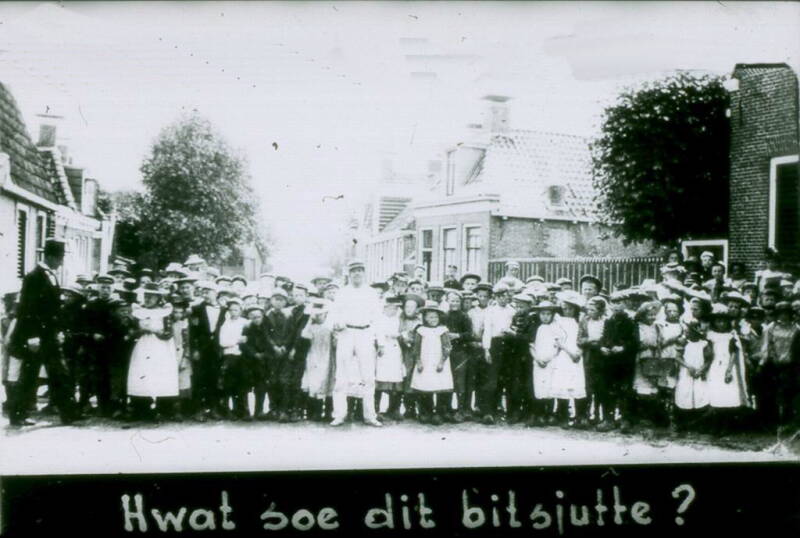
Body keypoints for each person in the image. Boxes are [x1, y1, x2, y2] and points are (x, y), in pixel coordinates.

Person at [8, 239, 79, 427]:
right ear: (50, 257)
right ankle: (17, 415)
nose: (62, 262)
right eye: (60, 258)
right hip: (37, 336)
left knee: (60, 374)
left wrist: (59, 330)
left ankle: (68, 413)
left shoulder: (51, 276)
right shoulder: (34, 277)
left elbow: (53, 308)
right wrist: (32, 336)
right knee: (29, 375)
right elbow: (27, 309)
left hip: (50, 335)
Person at [328, 260, 383, 427]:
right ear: (349, 274)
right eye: (353, 271)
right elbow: (333, 315)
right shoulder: (342, 293)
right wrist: (336, 325)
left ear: (364, 273)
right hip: (346, 334)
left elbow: (378, 318)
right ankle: (339, 414)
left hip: (365, 333)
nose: (357, 273)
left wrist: (380, 341)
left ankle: (370, 416)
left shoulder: (371, 293)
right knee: (341, 377)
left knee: (368, 377)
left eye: (360, 270)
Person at [126, 284, 178, 422]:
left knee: (159, 374)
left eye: (152, 296)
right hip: (143, 346)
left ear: (158, 298)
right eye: (146, 296)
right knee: (142, 374)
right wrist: (141, 331)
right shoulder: (138, 312)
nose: (148, 299)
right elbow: (131, 331)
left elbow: (169, 333)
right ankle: (142, 408)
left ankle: (162, 408)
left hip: (160, 347)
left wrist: (156, 332)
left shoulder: (165, 312)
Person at [596, 291, 639, 433]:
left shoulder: (631, 321)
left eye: (619, 303)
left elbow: (635, 342)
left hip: (625, 363)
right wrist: (602, 347)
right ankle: (608, 419)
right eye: (613, 303)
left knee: (625, 390)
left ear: (625, 304)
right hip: (609, 362)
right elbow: (603, 338)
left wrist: (623, 348)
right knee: (607, 389)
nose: (616, 306)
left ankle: (625, 419)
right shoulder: (608, 321)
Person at [81, 274, 122, 417]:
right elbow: (85, 324)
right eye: (103, 287)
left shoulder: (118, 304)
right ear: (98, 288)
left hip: (114, 345)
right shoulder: (91, 305)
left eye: (108, 288)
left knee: (114, 376)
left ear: (113, 289)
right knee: (98, 375)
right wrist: (93, 334)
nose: (105, 290)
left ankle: (115, 406)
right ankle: (102, 406)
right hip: (96, 345)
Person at [705, 303, 749, 437]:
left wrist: (729, 370)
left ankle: (726, 425)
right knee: (715, 396)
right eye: (718, 321)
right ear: (714, 322)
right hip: (714, 367)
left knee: (727, 395)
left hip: (727, 366)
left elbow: (734, 353)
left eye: (724, 321)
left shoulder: (731, 335)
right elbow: (708, 352)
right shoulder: (710, 335)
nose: (721, 324)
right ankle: (715, 425)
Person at [477, 283, 515, 424]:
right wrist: (487, 350)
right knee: (491, 379)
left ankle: (507, 412)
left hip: (509, 345)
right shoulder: (491, 311)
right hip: (495, 345)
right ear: (496, 297)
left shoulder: (512, 311)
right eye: (500, 296)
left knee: (507, 379)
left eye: (505, 296)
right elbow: (487, 331)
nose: (503, 299)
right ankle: (488, 412)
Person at [411, 301, 453, 425]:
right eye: (430, 317)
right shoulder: (421, 330)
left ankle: (439, 413)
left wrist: (442, 362)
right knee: (425, 387)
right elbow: (416, 348)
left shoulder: (443, 330)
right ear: (425, 318)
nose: (433, 319)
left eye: (435, 317)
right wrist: (418, 361)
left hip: (439, 362)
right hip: (425, 362)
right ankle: (426, 412)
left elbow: (447, 347)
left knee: (440, 386)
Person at [760, 302, 798, 432]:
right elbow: (766, 346)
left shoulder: (796, 328)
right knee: (771, 394)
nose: (783, 316)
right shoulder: (770, 328)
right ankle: (771, 422)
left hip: (790, 365)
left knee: (788, 393)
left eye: (786, 313)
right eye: (781, 313)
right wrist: (766, 361)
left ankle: (786, 422)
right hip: (772, 365)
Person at [189, 281, 223, 421]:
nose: (205, 295)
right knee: (199, 379)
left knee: (214, 378)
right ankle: (198, 410)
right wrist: (195, 349)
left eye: (208, 292)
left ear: (216, 293)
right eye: (203, 292)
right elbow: (192, 332)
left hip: (217, 349)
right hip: (202, 349)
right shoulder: (196, 309)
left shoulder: (224, 309)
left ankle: (213, 408)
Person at [550, 291, 585, 428]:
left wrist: (579, 352)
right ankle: (563, 416)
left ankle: (579, 417)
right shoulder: (559, 321)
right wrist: (570, 352)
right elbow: (558, 340)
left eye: (570, 308)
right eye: (565, 308)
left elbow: (583, 338)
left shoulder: (580, 321)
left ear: (575, 309)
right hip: (564, 355)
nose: (567, 311)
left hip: (577, 355)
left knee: (576, 384)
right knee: (562, 384)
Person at [503, 293, 537, 424]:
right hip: (515, 355)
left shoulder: (534, 319)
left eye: (521, 306)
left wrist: (514, 334)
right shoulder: (516, 317)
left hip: (529, 356)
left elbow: (530, 338)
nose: (519, 309)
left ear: (529, 306)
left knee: (529, 385)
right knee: (514, 384)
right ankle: (515, 412)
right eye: (517, 306)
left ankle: (530, 413)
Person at [299, 298, 335, 421]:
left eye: (321, 314)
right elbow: (304, 335)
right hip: (314, 356)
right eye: (316, 315)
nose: (318, 317)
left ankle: (329, 412)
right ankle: (315, 412)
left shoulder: (329, 327)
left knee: (328, 382)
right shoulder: (312, 327)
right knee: (314, 382)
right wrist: (310, 320)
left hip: (328, 357)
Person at [674, 321, 711, 435]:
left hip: (699, 373)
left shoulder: (704, 344)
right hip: (686, 373)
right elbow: (678, 357)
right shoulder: (684, 342)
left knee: (700, 396)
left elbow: (708, 359)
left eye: (690, 331)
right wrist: (688, 366)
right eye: (687, 331)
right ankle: (682, 425)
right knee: (684, 395)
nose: (687, 333)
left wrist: (701, 370)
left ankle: (699, 425)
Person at [443, 290, 474, 422]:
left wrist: (457, 335)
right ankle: (447, 409)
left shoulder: (464, 316)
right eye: (452, 301)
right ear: (447, 301)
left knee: (460, 381)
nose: (454, 303)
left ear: (460, 302)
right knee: (447, 380)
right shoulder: (444, 316)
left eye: (457, 301)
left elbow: (470, 334)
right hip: (447, 352)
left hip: (461, 352)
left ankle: (461, 410)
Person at [264, 288, 293, 422]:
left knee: (284, 381)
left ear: (285, 302)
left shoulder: (289, 315)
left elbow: (291, 333)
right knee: (272, 380)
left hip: (285, 353)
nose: (278, 302)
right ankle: (273, 409)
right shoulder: (266, 315)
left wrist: (284, 346)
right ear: (271, 301)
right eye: (276, 299)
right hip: (272, 353)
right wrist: (274, 346)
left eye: (281, 300)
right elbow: (265, 334)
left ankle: (283, 410)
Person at [577, 296, 607, 428]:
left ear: (600, 311)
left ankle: (598, 414)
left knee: (601, 386)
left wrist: (600, 342)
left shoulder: (606, 321)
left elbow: (607, 339)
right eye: (588, 309)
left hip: (602, 357)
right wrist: (590, 340)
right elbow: (579, 340)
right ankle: (585, 415)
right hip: (588, 357)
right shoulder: (584, 321)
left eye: (593, 310)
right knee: (587, 386)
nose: (589, 312)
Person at [218, 297, 250, 420]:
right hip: (229, 356)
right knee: (229, 383)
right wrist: (236, 340)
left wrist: (242, 342)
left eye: (236, 310)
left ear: (241, 310)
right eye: (231, 310)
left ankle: (243, 410)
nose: (233, 312)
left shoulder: (245, 322)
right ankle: (229, 410)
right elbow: (222, 342)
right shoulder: (225, 324)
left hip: (242, 356)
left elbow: (247, 339)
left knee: (243, 383)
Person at [374, 296, 405, 421]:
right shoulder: (380, 319)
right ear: (384, 308)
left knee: (396, 378)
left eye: (395, 308)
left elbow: (401, 332)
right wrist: (381, 345)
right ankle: (376, 410)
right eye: (390, 308)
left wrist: (400, 335)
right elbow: (379, 333)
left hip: (395, 350)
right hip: (383, 351)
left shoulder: (398, 320)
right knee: (380, 378)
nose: (393, 311)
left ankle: (394, 409)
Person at [241, 304, 270, 420]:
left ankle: (259, 410)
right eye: (253, 317)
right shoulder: (246, 328)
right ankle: (246, 411)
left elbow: (270, 342)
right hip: (249, 360)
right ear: (249, 317)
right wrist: (254, 354)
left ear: (262, 316)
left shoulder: (267, 327)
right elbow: (243, 344)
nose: (256, 319)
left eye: (258, 317)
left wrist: (264, 354)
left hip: (263, 360)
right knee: (245, 385)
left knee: (261, 384)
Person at [399, 293, 424, 420]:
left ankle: (419, 407)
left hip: (416, 352)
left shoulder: (420, 321)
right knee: (405, 378)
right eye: (407, 307)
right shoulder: (399, 320)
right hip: (402, 352)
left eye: (412, 307)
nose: (409, 309)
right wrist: (402, 338)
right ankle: (407, 407)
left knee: (416, 377)